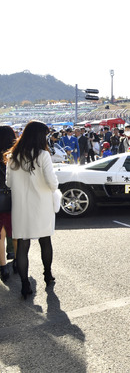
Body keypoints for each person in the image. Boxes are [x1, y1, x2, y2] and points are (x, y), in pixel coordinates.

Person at [5, 121, 59, 299]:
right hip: (41, 205)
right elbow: (52, 183)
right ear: (39, 136)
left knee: (22, 244)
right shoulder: (43, 155)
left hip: (21, 206)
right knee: (45, 241)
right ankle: (47, 275)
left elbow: (9, 183)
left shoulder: (13, 156)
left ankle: (25, 285)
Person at [0, 126, 16, 282]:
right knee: (17, 231)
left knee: (0, 234)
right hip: (14, 197)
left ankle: (3, 268)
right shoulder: (14, 155)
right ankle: (17, 261)